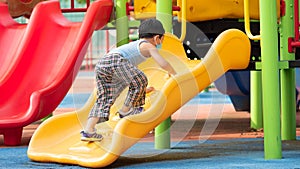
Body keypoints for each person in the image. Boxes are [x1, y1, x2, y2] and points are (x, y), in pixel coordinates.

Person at [80, 18, 177, 141]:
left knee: (105, 98)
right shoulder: (149, 46)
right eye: (162, 39)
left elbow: (128, 75)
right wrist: (174, 73)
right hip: (115, 60)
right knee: (141, 78)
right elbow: (162, 63)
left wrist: (142, 89)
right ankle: (125, 111)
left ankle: (89, 131)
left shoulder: (135, 46)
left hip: (102, 64)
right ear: (157, 38)